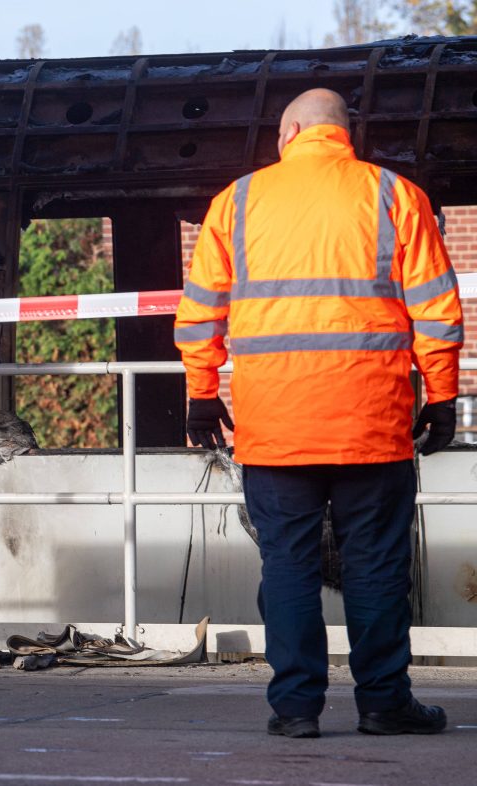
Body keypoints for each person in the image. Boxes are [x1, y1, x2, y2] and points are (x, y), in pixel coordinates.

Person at [174, 88, 463, 738]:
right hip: (373, 424)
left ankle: (297, 708)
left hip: (275, 428)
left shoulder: (238, 202)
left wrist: (200, 391)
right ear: (343, 134)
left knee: (289, 566)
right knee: (376, 566)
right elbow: (437, 313)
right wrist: (442, 397)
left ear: (293, 131)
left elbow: (199, 313)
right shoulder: (394, 195)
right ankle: (385, 702)